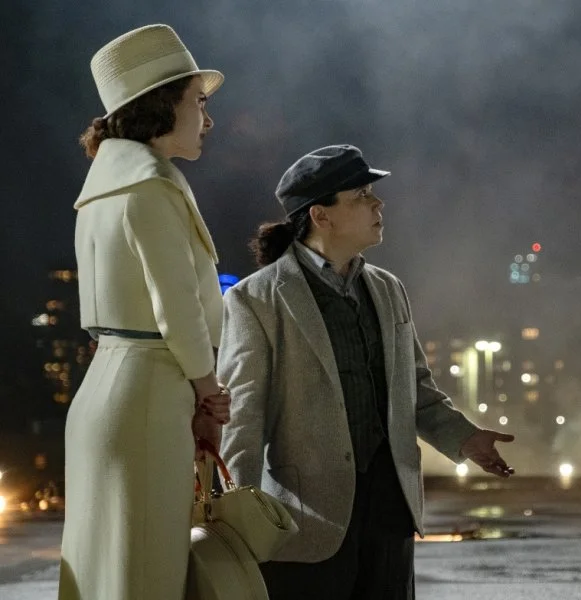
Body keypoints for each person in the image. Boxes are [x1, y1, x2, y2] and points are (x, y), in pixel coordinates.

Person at [218, 145, 514, 599]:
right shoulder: (255, 299)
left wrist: (465, 438)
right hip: (304, 519)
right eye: (361, 196)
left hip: (390, 511)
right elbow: (242, 416)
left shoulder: (387, 288)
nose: (379, 204)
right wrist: (239, 516)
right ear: (321, 215)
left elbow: (415, 388)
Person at [59, 24, 231, 600]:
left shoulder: (102, 187)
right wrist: (209, 392)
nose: (207, 118)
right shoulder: (153, 184)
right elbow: (177, 308)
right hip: (150, 393)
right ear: (161, 104)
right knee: (147, 575)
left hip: (103, 389)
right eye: (198, 101)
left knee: (105, 572)